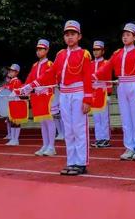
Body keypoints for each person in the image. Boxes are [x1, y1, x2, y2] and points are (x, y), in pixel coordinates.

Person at [22, 20, 92, 176]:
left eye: (73, 34)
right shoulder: (60, 54)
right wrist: (31, 85)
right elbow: (50, 74)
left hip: (79, 93)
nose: (69, 38)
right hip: (65, 94)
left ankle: (81, 163)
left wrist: (88, 99)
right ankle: (71, 161)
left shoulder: (84, 54)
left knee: (79, 128)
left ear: (79, 36)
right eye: (67, 35)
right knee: (68, 129)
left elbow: (87, 77)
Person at [95, 23, 135, 161]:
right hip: (121, 84)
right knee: (125, 118)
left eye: (128, 35)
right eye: (124, 35)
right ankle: (129, 147)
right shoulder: (117, 53)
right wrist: (94, 76)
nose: (125, 37)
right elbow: (107, 67)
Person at [25, 40, 56, 156]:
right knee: (42, 121)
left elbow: (47, 78)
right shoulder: (35, 65)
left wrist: (30, 86)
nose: (38, 51)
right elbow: (29, 78)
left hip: (47, 94)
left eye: (41, 49)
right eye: (37, 49)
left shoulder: (50, 64)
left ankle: (51, 146)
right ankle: (45, 144)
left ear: (47, 50)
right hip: (37, 94)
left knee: (48, 120)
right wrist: (22, 88)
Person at [91, 40, 112, 148]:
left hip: (103, 92)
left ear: (102, 51)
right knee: (96, 118)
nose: (95, 52)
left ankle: (106, 139)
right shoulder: (90, 64)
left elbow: (108, 78)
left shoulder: (106, 63)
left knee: (104, 118)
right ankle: (99, 138)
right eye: (94, 49)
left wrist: (108, 94)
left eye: (98, 49)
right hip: (94, 93)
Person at [3, 64, 23, 146]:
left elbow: (15, 92)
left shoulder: (17, 81)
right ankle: (13, 139)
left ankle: (16, 139)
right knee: (12, 121)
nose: (10, 72)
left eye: (12, 71)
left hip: (16, 102)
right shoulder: (11, 81)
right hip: (12, 102)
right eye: (10, 70)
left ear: (17, 72)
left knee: (16, 122)